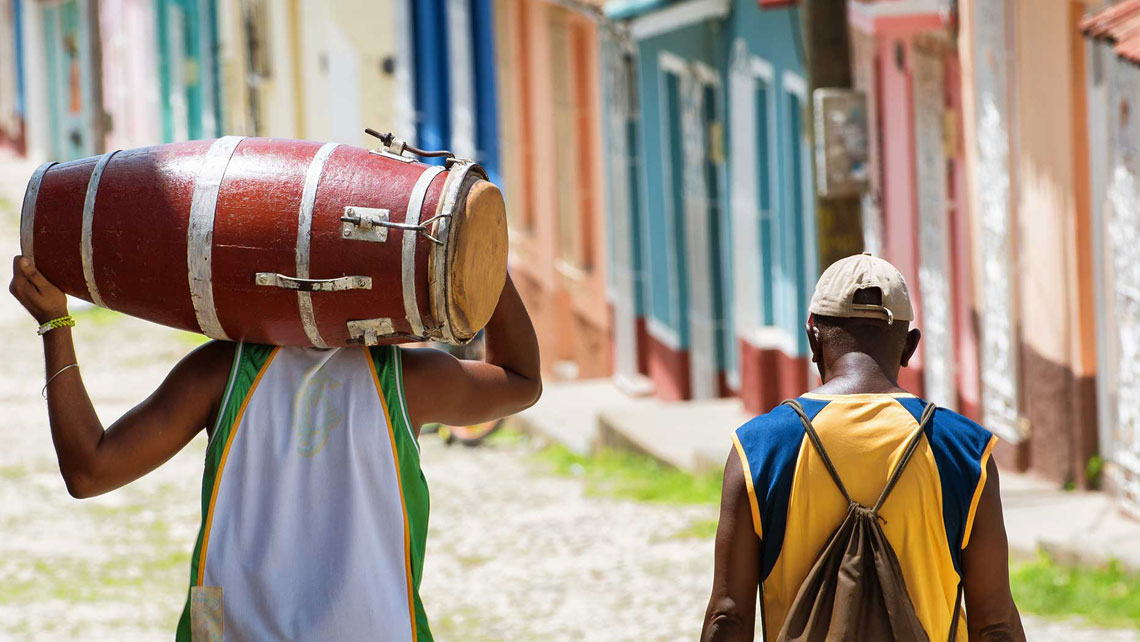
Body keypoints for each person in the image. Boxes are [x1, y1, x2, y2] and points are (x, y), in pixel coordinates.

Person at [9, 254, 541, 642]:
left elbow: (90, 471)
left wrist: (56, 324)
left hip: (226, 630)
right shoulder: (409, 379)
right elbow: (521, 380)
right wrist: (479, 252)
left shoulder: (219, 371)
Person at [700, 253, 1025, 642]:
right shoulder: (965, 452)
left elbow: (728, 617)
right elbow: (995, 624)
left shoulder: (759, 450)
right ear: (910, 347)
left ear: (813, 340)